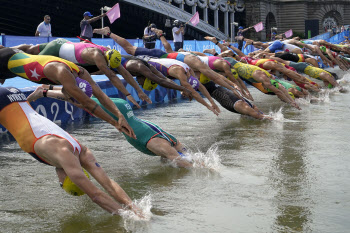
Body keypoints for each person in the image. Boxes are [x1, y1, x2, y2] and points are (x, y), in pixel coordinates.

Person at [0, 86, 142, 216]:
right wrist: (132, 217)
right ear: (67, 177)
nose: (59, 181)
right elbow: (96, 195)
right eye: (61, 184)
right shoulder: (64, 152)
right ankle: (135, 210)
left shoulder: (79, 150)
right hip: (15, 96)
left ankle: (135, 209)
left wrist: (132, 213)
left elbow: (105, 188)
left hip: (16, 96)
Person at [28, 85, 194, 168]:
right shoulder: (111, 103)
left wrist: (46, 91)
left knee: (182, 163)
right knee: (185, 160)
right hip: (152, 130)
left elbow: (73, 97)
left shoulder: (102, 104)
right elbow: (74, 96)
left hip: (148, 137)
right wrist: (46, 90)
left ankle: (212, 170)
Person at [0, 46, 136, 138]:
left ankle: (43, 91)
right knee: (82, 103)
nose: (73, 101)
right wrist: (115, 124)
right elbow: (89, 104)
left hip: (15, 58)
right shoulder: (62, 73)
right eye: (71, 96)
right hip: (5, 61)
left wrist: (119, 115)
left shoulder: (81, 71)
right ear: (70, 89)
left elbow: (100, 95)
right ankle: (43, 91)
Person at [12, 38, 152, 108]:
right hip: (56, 51)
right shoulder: (98, 56)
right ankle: (42, 90)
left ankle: (6, 49)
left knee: (28, 49)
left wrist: (139, 91)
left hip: (60, 43)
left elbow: (124, 73)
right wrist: (127, 94)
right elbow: (112, 75)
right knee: (27, 64)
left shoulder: (107, 51)